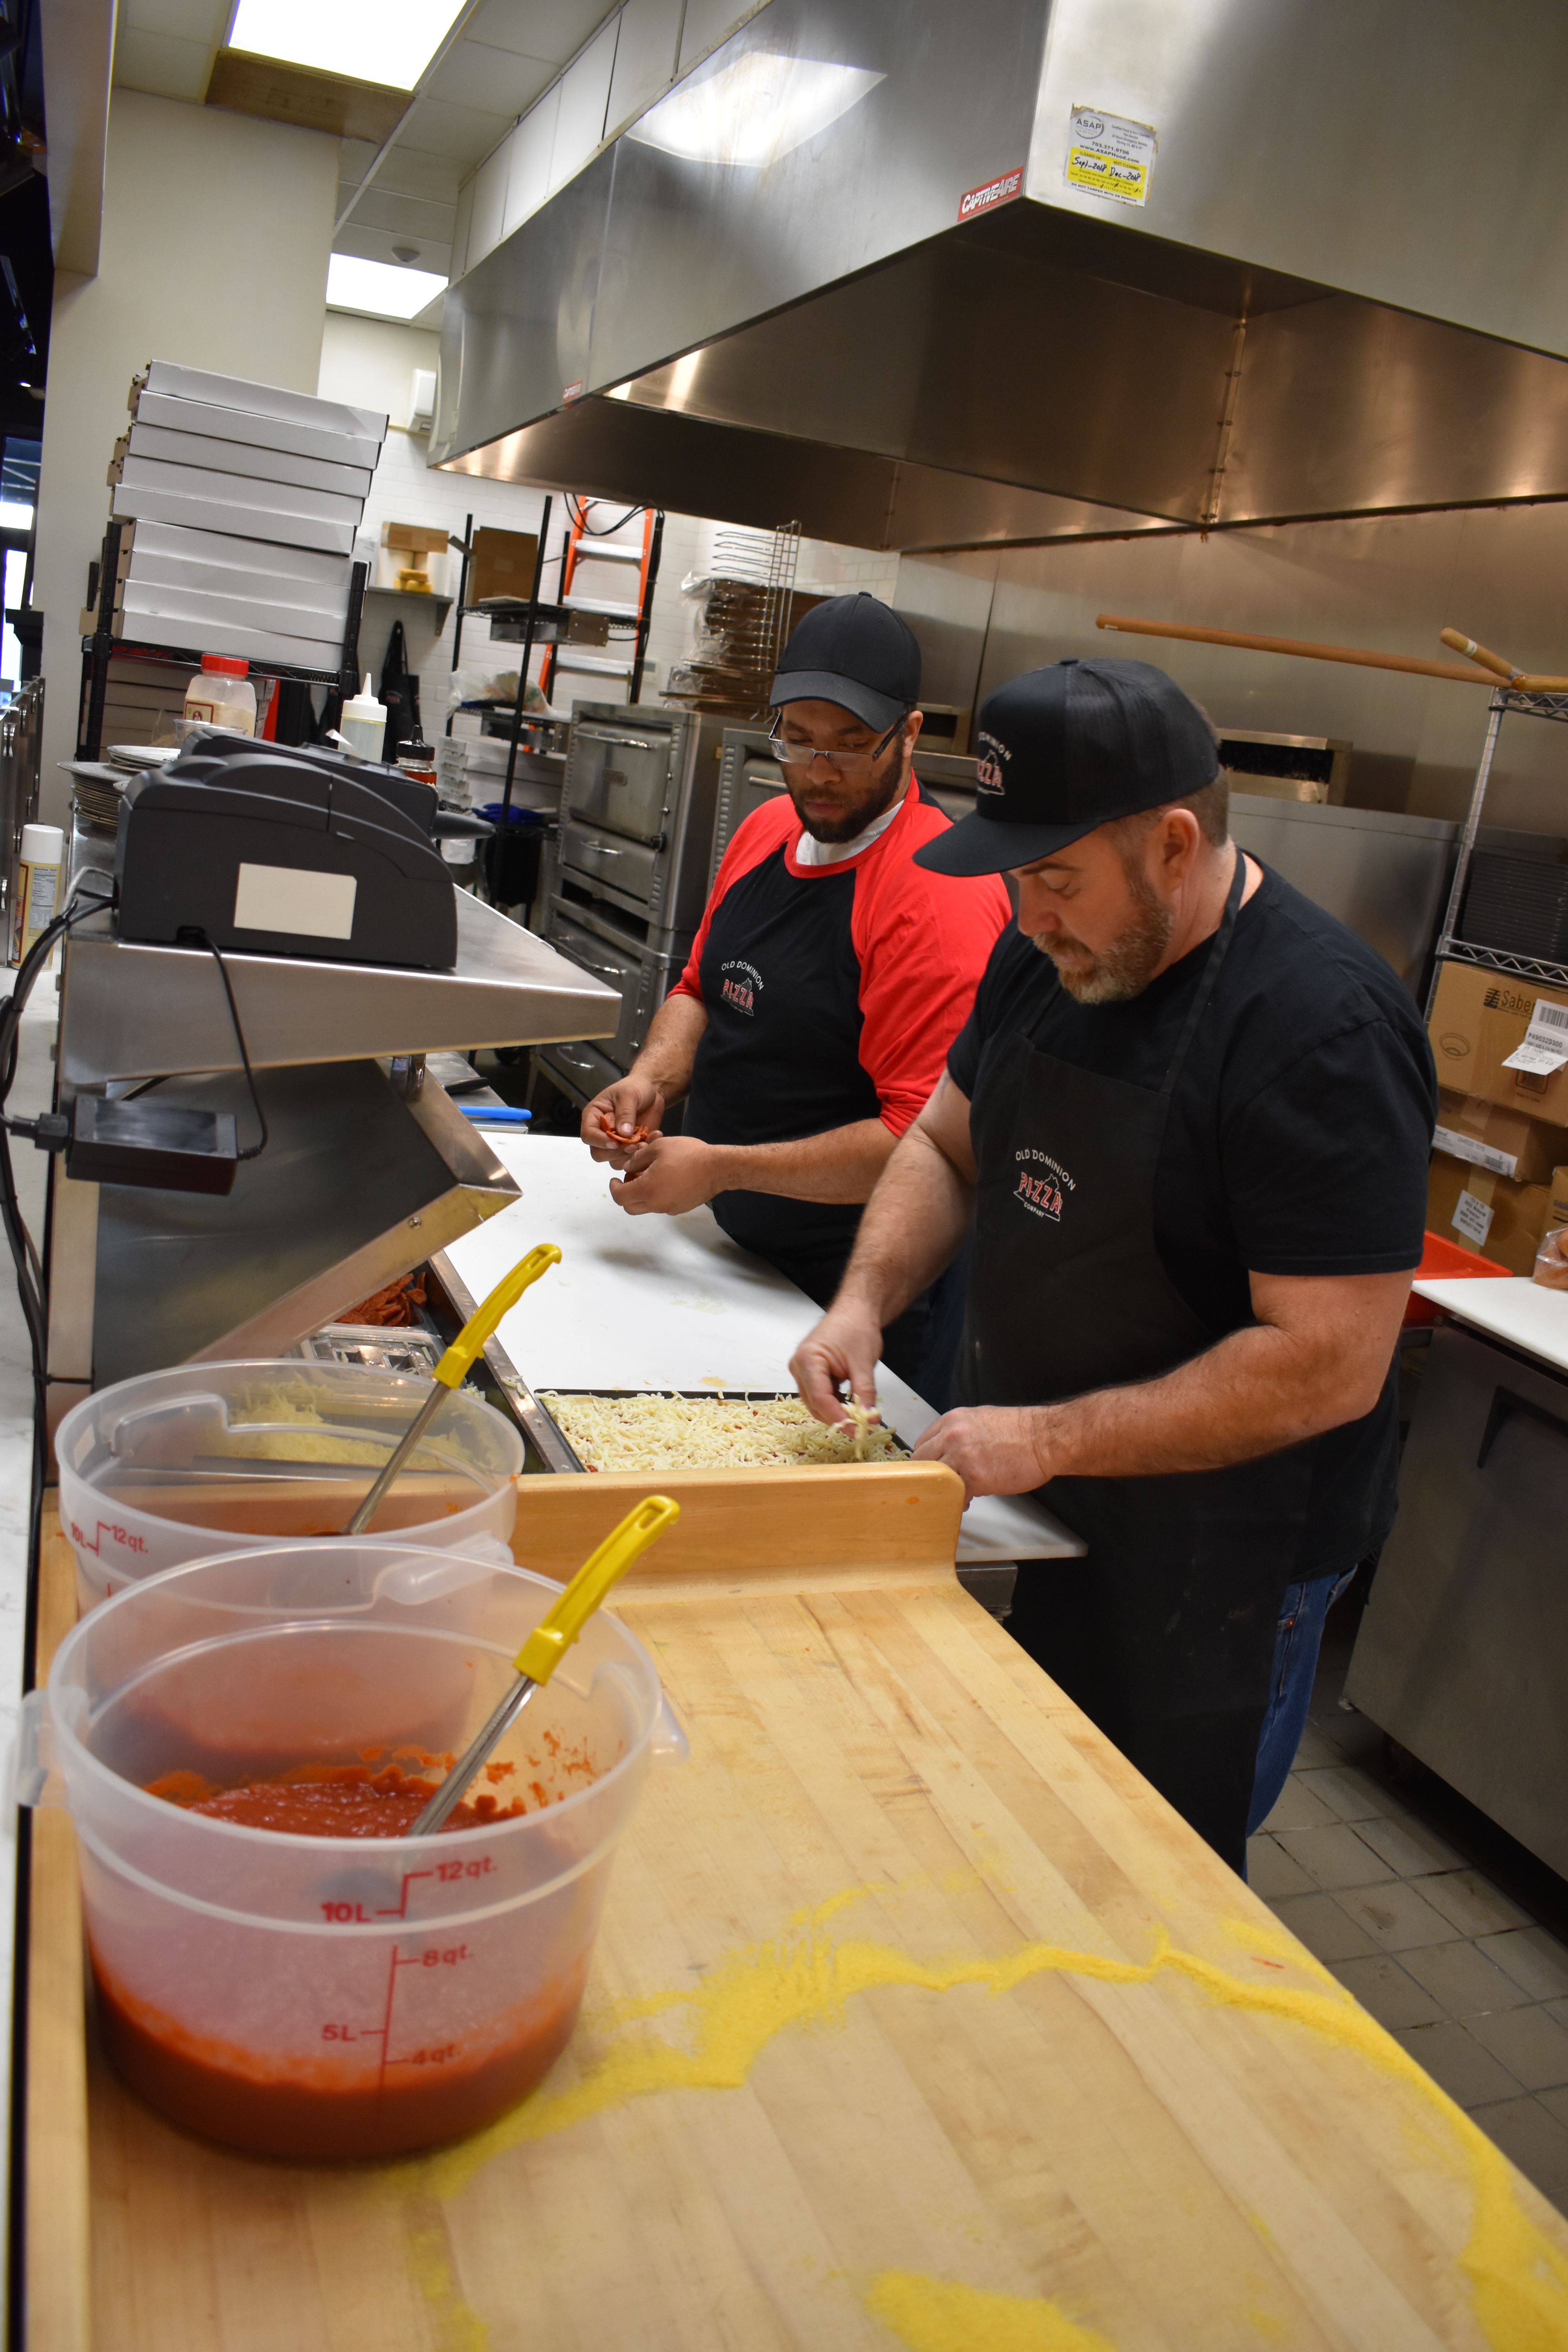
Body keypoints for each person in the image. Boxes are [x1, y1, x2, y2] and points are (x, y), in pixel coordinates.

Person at [790, 657, 1436, 1874]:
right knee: (1029, 1837)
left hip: (1225, 1555)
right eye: (1019, 877)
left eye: (1057, 878)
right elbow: (946, 1140)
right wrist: (864, 1305)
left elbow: (1332, 1365)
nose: (1030, 916)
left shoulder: (1320, 1029)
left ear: (1176, 845)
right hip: (1051, 1501)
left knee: (1156, 1875)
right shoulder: (1049, 950)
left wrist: (1050, 1437)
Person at [580, 594, 1010, 1397]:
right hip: (723, 1253)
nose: (819, 771)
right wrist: (651, 1080)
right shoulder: (767, 828)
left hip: (846, 1303)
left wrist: (717, 1169)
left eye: (850, 746)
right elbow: (700, 989)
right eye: (799, 740)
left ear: (908, 735)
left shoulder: (934, 893)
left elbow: (918, 1142)